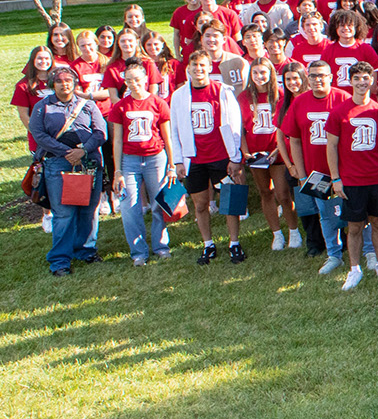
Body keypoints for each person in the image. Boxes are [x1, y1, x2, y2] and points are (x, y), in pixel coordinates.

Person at [324, 62, 378, 289]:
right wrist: (335, 178)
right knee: (355, 226)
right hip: (351, 179)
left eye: (365, 78)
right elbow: (331, 147)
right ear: (350, 81)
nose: (361, 82)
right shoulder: (339, 112)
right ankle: (354, 269)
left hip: (377, 177)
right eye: (357, 78)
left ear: (372, 80)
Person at [168, 50, 246, 265]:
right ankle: (208, 244)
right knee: (200, 204)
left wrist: (235, 156)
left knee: (230, 201)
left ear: (210, 67)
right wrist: (178, 161)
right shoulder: (180, 95)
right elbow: (174, 130)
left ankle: (234, 242)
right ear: (189, 68)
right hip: (194, 159)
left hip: (221, 155)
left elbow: (235, 125)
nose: (198, 69)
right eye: (194, 65)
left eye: (202, 65)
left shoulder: (222, 91)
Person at [30, 67, 108, 275]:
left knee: (89, 209)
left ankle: (85, 250)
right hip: (58, 164)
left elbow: (101, 132)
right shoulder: (42, 107)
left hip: (89, 163)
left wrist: (83, 151)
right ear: (53, 84)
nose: (65, 84)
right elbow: (38, 134)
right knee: (63, 213)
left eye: (69, 80)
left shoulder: (88, 105)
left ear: (75, 83)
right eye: (60, 81)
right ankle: (60, 260)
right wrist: (66, 152)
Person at [282, 60, 348, 272]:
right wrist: (301, 175)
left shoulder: (342, 98)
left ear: (331, 76)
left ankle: (366, 252)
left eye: (322, 75)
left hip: (345, 170)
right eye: (313, 76)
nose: (317, 80)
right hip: (316, 173)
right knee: (326, 215)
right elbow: (294, 140)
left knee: (353, 213)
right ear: (307, 79)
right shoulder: (299, 102)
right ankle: (333, 254)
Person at [107, 63, 171, 265]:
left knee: (158, 203)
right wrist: (118, 169)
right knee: (129, 206)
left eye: (137, 79)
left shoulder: (158, 103)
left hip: (155, 158)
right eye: (128, 80)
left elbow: (167, 136)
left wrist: (171, 164)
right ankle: (138, 252)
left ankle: (161, 246)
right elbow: (117, 140)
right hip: (130, 160)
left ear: (145, 79)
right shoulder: (120, 107)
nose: (133, 84)